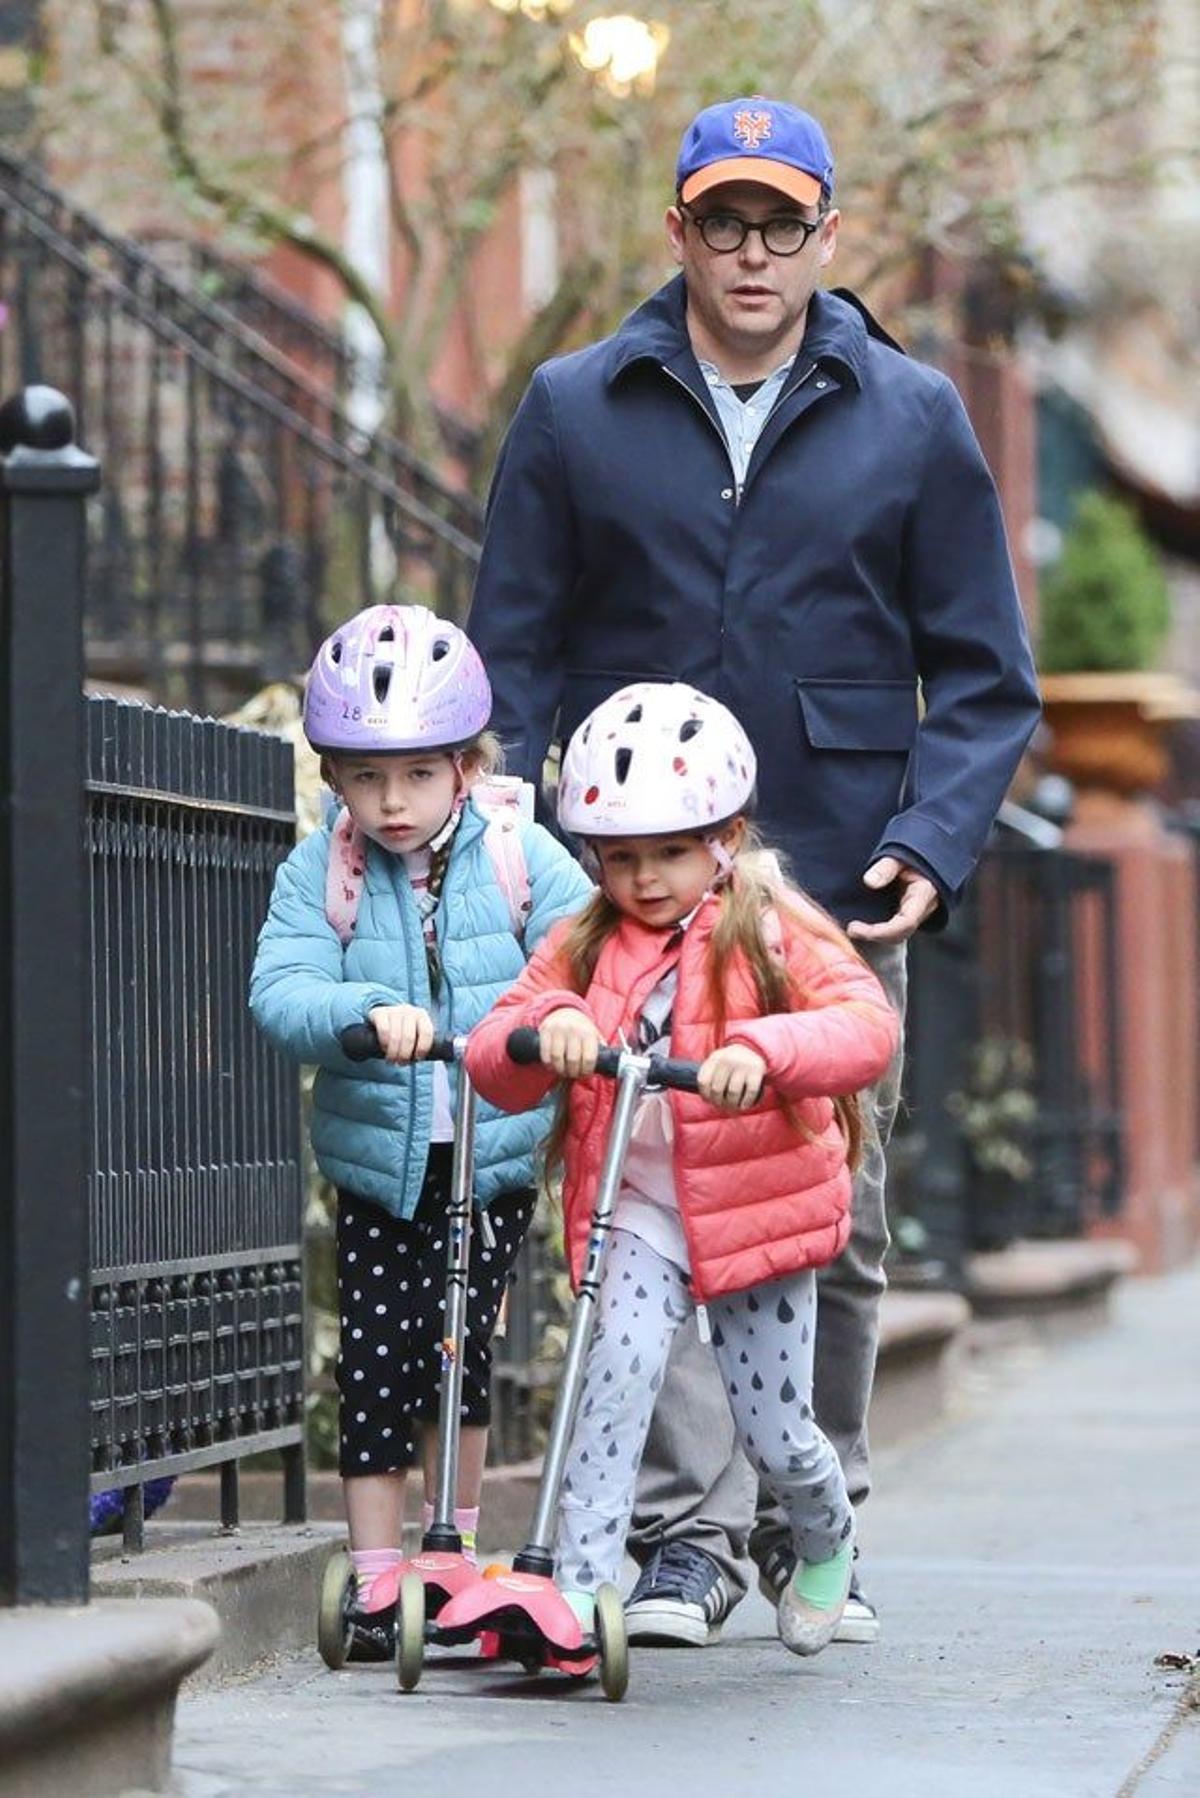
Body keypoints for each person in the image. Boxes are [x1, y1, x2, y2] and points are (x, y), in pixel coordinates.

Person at [468, 93, 1041, 1644]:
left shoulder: (912, 413)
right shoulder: (577, 405)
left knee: (825, 1212)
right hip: (633, 878)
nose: (752, 252)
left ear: (826, 236)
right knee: (638, 1190)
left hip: (834, 879)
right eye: (724, 220)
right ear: (680, 231)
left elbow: (986, 673)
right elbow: (510, 648)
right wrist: (517, 827)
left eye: (783, 222)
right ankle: (680, 1540)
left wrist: (932, 840)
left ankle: (815, 1516)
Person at [466, 682, 898, 1655]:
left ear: (726, 837)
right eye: (621, 858)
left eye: (669, 852)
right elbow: (495, 1046)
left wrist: (771, 1050)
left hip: (754, 1213)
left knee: (776, 1426)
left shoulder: (771, 923)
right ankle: (573, 1600)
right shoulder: (585, 938)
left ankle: (825, 1536)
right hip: (639, 1208)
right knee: (611, 1384)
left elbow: (863, 1023)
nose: (645, 878)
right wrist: (552, 1024)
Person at [250, 604, 591, 1660]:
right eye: (364, 778)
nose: (391, 803)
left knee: (462, 1350)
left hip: (485, 1156)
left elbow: (580, 952)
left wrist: (552, 1023)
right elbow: (281, 984)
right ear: (336, 781)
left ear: (465, 765)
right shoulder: (329, 869)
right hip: (381, 1164)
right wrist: (358, 1017)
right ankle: (377, 1567)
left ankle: (454, 1554)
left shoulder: (518, 852)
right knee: (377, 1353)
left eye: (416, 776)